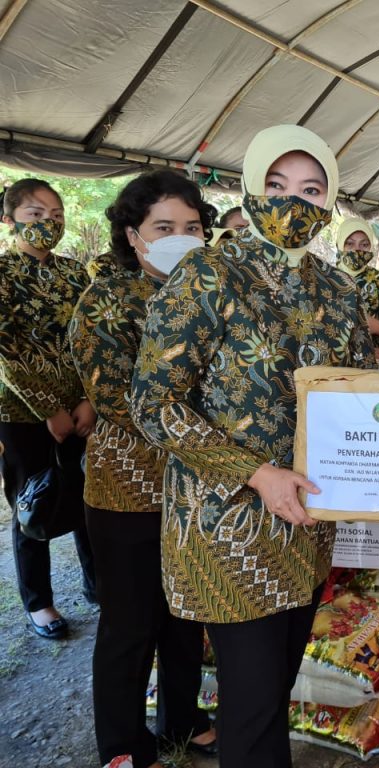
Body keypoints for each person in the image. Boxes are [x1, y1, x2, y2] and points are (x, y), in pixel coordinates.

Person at [130, 125, 376, 768]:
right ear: (249, 188)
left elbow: (363, 393)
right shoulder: (205, 277)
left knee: (277, 685)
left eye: (311, 188)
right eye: (276, 185)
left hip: (309, 523)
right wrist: (252, 471)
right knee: (253, 704)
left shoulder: (339, 289)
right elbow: (153, 404)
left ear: (330, 202)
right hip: (226, 527)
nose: (292, 201)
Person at [69, 171, 218, 768]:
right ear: (134, 236)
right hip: (127, 487)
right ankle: (123, 746)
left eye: (192, 228)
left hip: (197, 485)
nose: (181, 238)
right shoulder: (104, 303)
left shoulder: (212, 294)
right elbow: (119, 404)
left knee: (186, 611)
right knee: (131, 623)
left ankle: (182, 719)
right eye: (164, 228)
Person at [0, 178, 96, 640]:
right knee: (31, 501)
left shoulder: (75, 273)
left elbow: (90, 340)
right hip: (20, 414)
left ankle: (98, 582)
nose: (48, 223)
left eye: (55, 216)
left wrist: (87, 400)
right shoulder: (2, 274)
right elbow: (6, 352)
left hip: (81, 408)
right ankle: (39, 602)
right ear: (10, 219)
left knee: (87, 494)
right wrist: (47, 408)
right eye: (36, 214)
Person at [333, 215, 379, 345]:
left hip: (373, 358)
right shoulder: (323, 277)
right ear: (339, 244)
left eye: (364, 244)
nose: (357, 250)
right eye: (349, 243)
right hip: (332, 361)